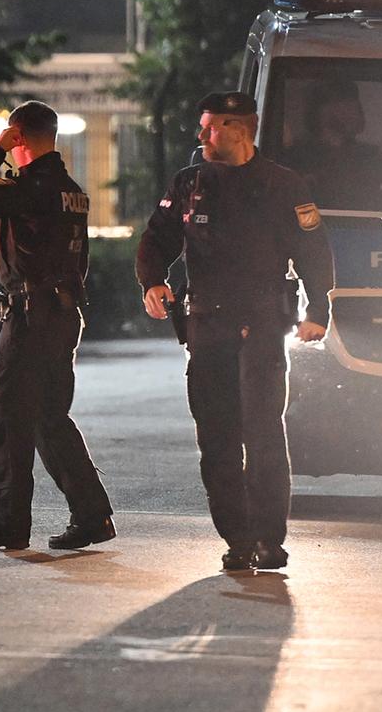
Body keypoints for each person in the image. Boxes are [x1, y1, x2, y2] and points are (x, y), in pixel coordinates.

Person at [135, 91, 334, 572]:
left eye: (211, 127)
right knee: (217, 437)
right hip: (207, 326)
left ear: (241, 130)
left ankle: (269, 537)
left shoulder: (283, 184)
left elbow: (313, 251)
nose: (201, 136)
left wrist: (317, 310)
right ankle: (237, 538)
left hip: (264, 325)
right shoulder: (189, 183)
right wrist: (153, 281)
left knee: (264, 431)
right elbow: (157, 237)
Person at [0, 102, 115, 552]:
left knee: (7, 421)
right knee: (49, 418)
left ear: (19, 135)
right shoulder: (69, 188)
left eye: (11, 133)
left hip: (31, 315)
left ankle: (9, 522)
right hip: (62, 313)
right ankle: (91, 515)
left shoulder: (33, 188)